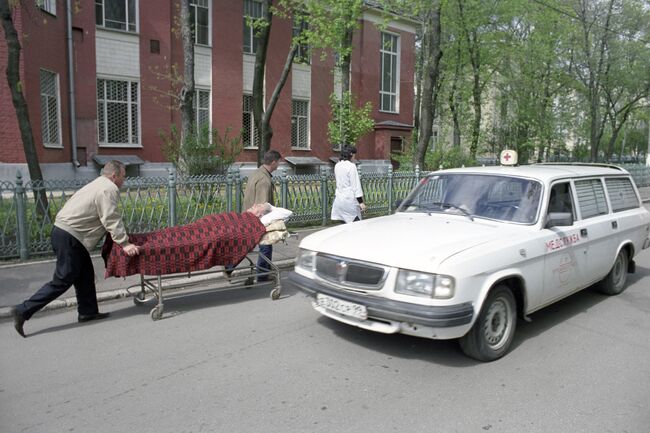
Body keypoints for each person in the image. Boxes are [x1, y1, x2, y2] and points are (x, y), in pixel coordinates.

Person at [11, 160, 140, 337]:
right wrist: (125, 243)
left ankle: (88, 312)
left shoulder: (98, 183)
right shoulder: (107, 188)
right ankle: (23, 310)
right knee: (63, 279)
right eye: (123, 176)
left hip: (67, 234)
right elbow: (110, 218)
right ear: (114, 176)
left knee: (85, 275)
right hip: (70, 236)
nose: (124, 181)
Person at [242, 150, 282, 282]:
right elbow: (262, 205)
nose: (279, 165)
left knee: (245, 245)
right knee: (266, 245)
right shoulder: (264, 180)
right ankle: (262, 275)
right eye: (278, 162)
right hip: (257, 219)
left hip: (247, 215)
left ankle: (230, 267)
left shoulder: (256, 173)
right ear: (274, 162)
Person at [331, 144, 366, 223]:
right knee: (356, 225)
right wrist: (361, 202)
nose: (354, 157)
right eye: (354, 154)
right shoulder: (351, 166)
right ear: (351, 154)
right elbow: (355, 185)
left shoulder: (337, 165)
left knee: (344, 226)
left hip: (339, 199)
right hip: (349, 200)